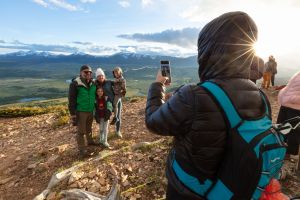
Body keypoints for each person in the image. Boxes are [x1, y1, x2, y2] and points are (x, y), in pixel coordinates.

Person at [145, 11, 271, 200]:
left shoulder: (194, 95)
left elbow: (153, 122)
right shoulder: (261, 96)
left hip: (189, 190)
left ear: (209, 50)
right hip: (232, 190)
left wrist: (157, 85)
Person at [68, 65, 97, 157]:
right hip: (80, 111)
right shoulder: (75, 84)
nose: (88, 73)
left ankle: (90, 141)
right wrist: (73, 114)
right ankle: (82, 150)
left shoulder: (93, 83)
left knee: (89, 128)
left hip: (90, 110)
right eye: (85, 72)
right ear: (81, 73)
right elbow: (71, 99)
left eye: (89, 72)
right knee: (81, 131)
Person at [277, 71, 300, 161]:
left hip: (290, 103)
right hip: (291, 105)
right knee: (289, 129)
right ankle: (284, 151)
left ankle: (282, 150)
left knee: (285, 128)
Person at [95, 68, 122, 138]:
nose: (101, 77)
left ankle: (118, 131)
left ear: (104, 76)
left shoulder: (109, 82)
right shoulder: (96, 84)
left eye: (102, 75)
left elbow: (119, 83)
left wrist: (122, 90)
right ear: (96, 77)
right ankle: (103, 135)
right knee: (104, 118)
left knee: (118, 117)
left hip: (116, 102)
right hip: (105, 104)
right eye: (98, 76)